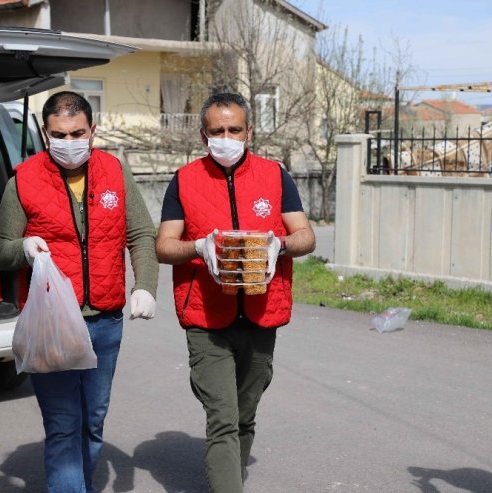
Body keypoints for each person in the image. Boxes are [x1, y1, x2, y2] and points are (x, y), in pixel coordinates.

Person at [0, 91, 158, 493]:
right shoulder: (24, 180)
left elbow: (141, 234)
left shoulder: (115, 172)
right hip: (53, 325)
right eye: (59, 135)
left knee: (92, 421)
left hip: (106, 323)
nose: (69, 142)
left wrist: (146, 286)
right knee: (64, 427)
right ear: (45, 135)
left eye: (77, 133)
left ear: (92, 130)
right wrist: (23, 247)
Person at [155, 92, 315, 492]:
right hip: (207, 320)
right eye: (217, 131)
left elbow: (306, 236)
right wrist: (198, 247)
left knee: (244, 415)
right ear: (203, 135)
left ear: (249, 131)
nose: (225, 137)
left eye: (234, 129)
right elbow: (164, 246)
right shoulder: (185, 180)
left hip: (262, 316)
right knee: (223, 418)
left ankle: (230, 476)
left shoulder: (274, 175)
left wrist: (279, 243)